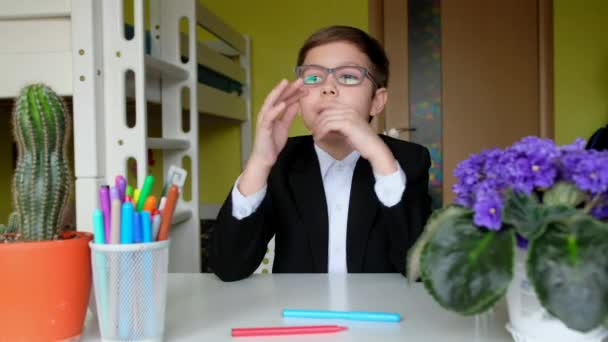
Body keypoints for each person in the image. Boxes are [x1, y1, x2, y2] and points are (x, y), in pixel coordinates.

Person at [209, 25, 431, 281]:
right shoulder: (280, 161)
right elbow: (228, 267)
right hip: (297, 317)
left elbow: (421, 271)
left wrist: (381, 161)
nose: (328, 88)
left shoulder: (407, 161)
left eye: (348, 77)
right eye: (313, 78)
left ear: (376, 101)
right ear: (300, 100)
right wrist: (260, 162)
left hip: (381, 317)